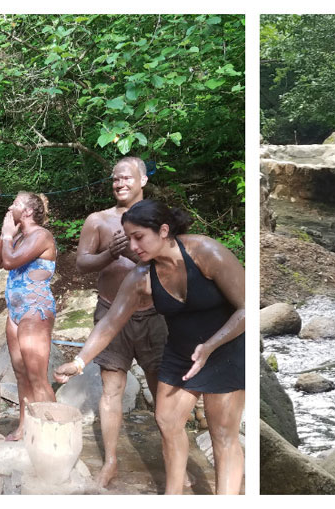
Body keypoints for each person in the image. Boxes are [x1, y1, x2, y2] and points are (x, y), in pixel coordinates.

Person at [55, 200, 245, 495]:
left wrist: (210, 346)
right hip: (182, 352)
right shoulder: (141, 277)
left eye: (138, 237)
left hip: (224, 349)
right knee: (167, 420)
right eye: (128, 237)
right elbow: (109, 324)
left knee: (222, 434)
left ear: (164, 230)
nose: (131, 245)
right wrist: (78, 363)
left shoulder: (206, 253)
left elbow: (247, 309)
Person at [75, 157, 168, 488]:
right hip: (111, 311)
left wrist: (134, 255)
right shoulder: (98, 221)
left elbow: (174, 262)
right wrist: (108, 255)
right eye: (115, 178)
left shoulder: (159, 218)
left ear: (143, 179)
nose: (119, 183)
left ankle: (171, 459)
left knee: (163, 392)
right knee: (111, 389)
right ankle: (111, 461)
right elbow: (82, 263)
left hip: (155, 313)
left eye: (126, 177)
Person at [0, 192, 57, 441]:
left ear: (27, 211)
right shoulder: (18, 237)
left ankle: (53, 434)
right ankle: (24, 426)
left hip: (35, 311)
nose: (10, 206)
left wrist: (9, 235)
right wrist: (6, 234)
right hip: (16, 313)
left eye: (15, 204)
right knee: (20, 373)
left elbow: (11, 262)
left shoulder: (41, 235)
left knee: (37, 376)